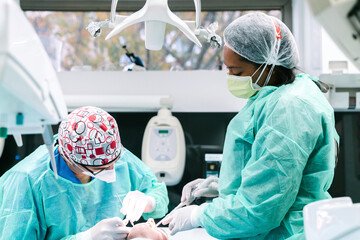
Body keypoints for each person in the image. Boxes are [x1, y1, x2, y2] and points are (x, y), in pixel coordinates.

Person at [163, 12, 338, 239]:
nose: (230, 76)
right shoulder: (280, 94)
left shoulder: (289, 108)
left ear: (268, 65)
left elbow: (261, 208)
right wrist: (223, 185)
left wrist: (199, 215)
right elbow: (273, 175)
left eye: (236, 71)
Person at [0, 106, 169, 240]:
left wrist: (149, 201)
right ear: (71, 160)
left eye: (114, 162)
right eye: (100, 168)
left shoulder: (107, 150)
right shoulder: (25, 181)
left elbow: (156, 191)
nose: (112, 171)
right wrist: (85, 237)